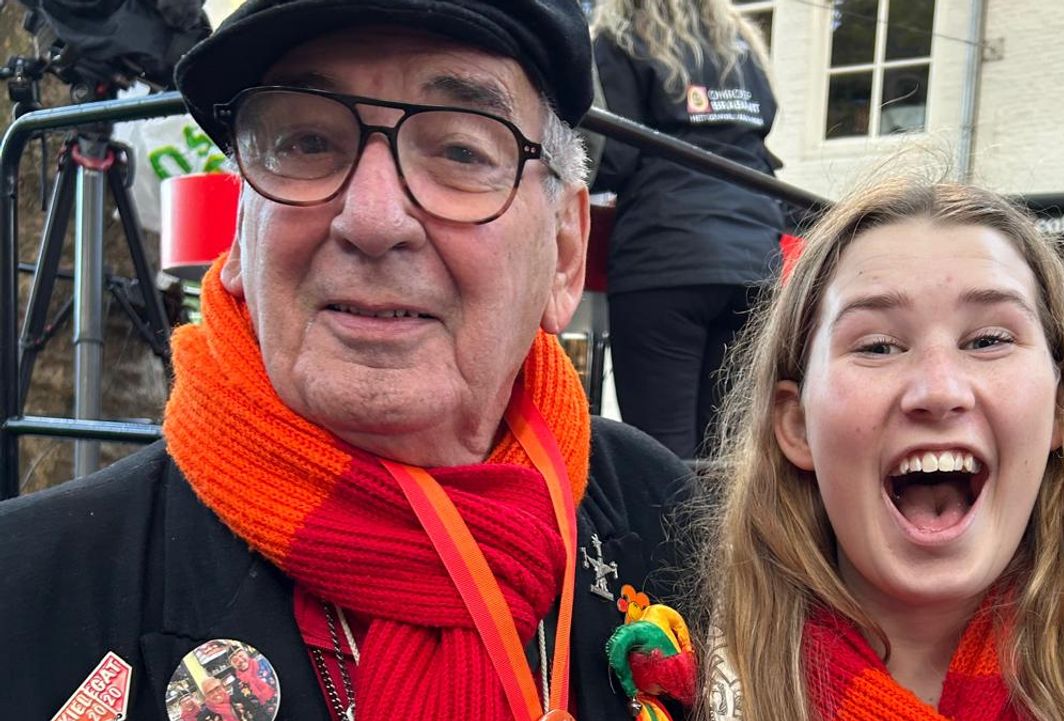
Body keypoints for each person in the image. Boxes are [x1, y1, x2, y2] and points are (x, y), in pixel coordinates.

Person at [0, 2, 691, 720]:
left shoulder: (679, 529)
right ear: (239, 235)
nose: (371, 218)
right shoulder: (26, 599)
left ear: (565, 254)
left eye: (459, 151)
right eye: (305, 141)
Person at [702, 180, 1064, 721]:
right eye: (877, 346)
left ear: (1063, 410)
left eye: (989, 340)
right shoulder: (685, 673)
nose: (938, 391)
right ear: (797, 425)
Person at [590, 0, 785, 459]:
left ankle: (667, 534)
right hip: (755, 264)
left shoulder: (622, 35)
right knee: (728, 459)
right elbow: (757, 141)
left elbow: (614, 156)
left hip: (665, 257)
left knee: (662, 457)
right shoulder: (739, 44)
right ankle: (725, 535)